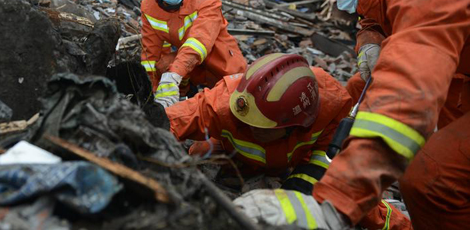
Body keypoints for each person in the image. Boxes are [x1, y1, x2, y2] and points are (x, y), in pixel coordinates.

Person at [234, 0, 470, 230]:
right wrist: (371, 39)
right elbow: (375, 3)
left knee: (431, 176)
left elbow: (408, 90)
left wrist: (335, 208)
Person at [167, 53, 411, 230]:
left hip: (297, 164)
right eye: (247, 120)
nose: (250, 128)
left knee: (355, 202)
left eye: (260, 125)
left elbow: (328, 158)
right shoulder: (224, 103)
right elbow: (172, 121)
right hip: (238, 158)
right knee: (198, 154)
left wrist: (296, 194)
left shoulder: (331, 106)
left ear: (295, 126)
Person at [137, 0, 247, 108]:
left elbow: (199, 42)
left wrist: (173, 75)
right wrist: (152, 93)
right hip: (188, 69)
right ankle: (181, 102)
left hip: (221, 62)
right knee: (164, 64)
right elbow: (151, 56)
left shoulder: (206, 1)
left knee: (233, 103)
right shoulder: (149, 8)